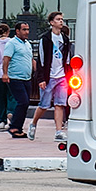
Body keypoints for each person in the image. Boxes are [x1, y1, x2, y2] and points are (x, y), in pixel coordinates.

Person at [27, 12, 73, 142]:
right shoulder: (46, 39)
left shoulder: (64, 39)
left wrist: (68, 74)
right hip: (49, 76)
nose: (61, 22)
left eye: (62, 19)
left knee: (60, 104)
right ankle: (34, 123)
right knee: (44, 105)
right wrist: (41, 78)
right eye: (58, 19)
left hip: (62, 76)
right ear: (51, 22)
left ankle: (58, 131)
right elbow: (41, 59)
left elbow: (67, 58)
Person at [0, 20, 34, 138]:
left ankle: (17, 127)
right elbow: (6, 59)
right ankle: (14, 126)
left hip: (26, 78)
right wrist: (5, 73)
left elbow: (30, 59)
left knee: (25, 103)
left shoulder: (28, 44)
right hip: (15, 77)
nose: (27, 32)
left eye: (28, 29)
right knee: (22, 101)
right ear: (17, 31)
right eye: (24, 29)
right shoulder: (12, 43)